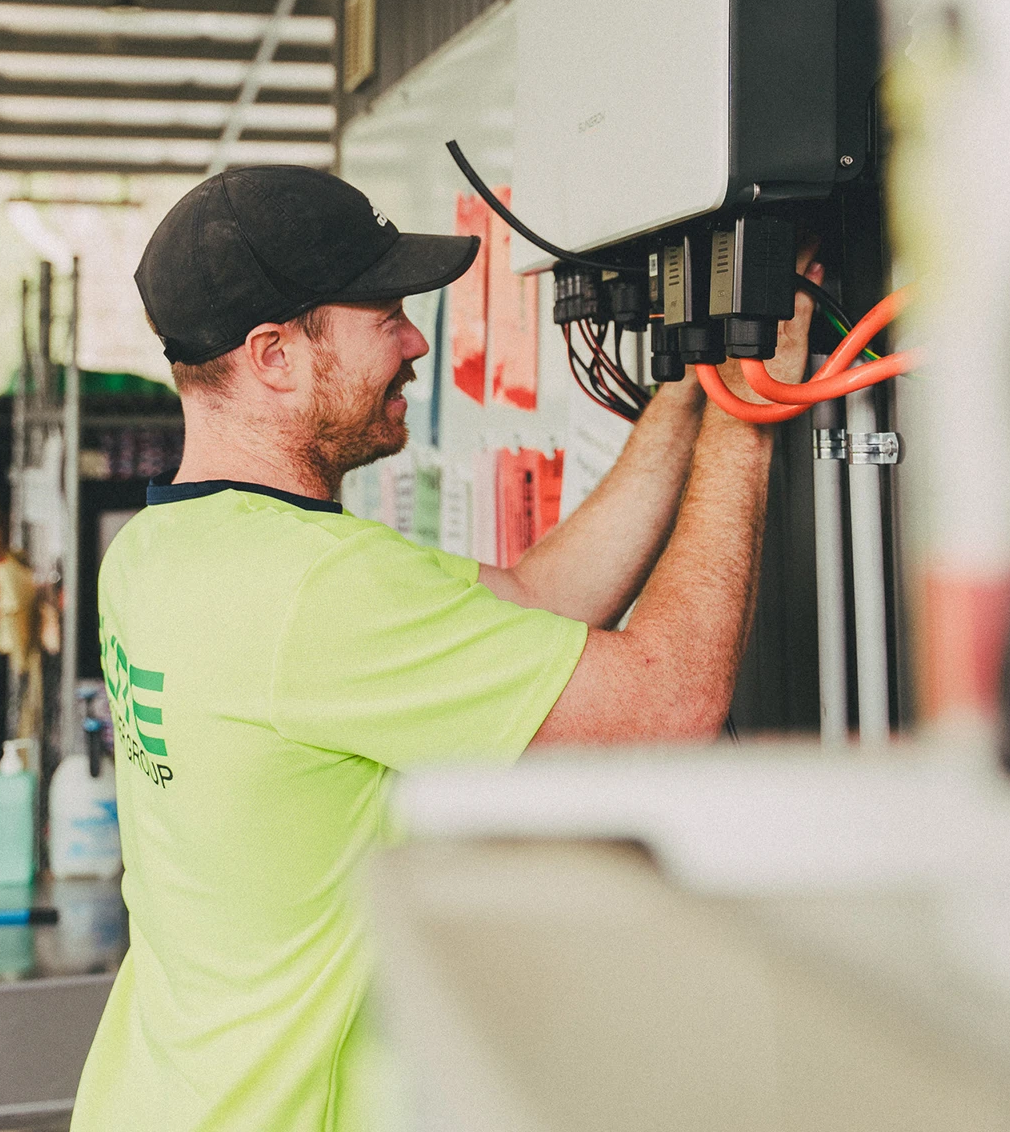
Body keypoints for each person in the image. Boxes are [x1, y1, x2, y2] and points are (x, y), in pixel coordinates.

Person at [72, 164, 819, 1132]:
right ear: (274, 355)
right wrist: (752, 404)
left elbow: (539, 598)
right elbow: (667, 702)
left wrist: (689, 386)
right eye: (385, 315)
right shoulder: (312, 588)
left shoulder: (162, 550)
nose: (417, 340)